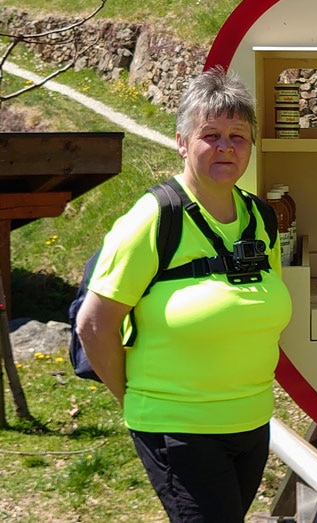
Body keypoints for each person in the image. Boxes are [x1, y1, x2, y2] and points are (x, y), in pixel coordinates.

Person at [76, 67, 292, 523]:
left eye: (238, 137)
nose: (226, 147)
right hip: (178, 427)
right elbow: (94, 324)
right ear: (181, 142)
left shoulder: (261, 219)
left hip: (252, 423)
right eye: (210, 135)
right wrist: (134, 399)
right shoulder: (155, 217)